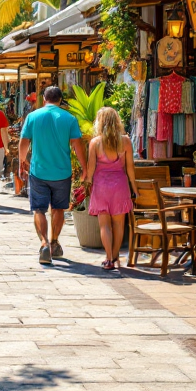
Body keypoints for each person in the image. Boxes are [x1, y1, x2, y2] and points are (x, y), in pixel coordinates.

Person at [19, 86, 88, 266]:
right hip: (62, 172)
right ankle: (55, 242)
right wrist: (85, 167)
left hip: (39, 171)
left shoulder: (32, 117)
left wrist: (21, 160)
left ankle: (44, 243)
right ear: (60, 100)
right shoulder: (69, 118)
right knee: (58, 209)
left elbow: (24, 141)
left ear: (44, 99)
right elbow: (77, 145)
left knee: (39, 210)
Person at [85, 107, 137, 271]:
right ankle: (114, 256)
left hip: (101, 187)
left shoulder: (95, 143)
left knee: (104, 225)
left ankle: (108, 259)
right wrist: (135, 189)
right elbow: (130, 169)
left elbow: (91, 169)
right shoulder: (126, 141)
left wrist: (86, 184)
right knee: (119, 225)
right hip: (120, 186)